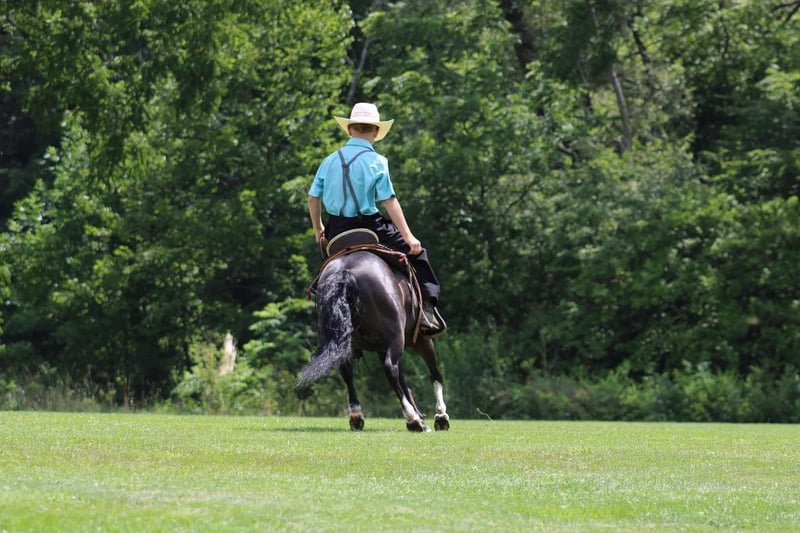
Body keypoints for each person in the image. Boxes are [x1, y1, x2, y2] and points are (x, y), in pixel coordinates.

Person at [307, 102, 446, 337]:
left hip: (337, 230)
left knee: (326, 269)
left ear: (349, 129)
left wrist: (318, 228)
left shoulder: (329, 160)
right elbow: (389, 201)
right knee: (419, 255)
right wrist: (409, 237)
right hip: (370, 227)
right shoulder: (378, 161)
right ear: (376, 132)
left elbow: (313, 198)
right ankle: (427, 312)